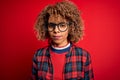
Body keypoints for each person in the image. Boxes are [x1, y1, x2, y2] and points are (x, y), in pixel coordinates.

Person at [32, 0, 94, 80]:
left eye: (62, 25)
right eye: (51, 25)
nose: (56, 30)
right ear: (46, 27)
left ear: (71, 27)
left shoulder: (83, 56)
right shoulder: (38, 55)